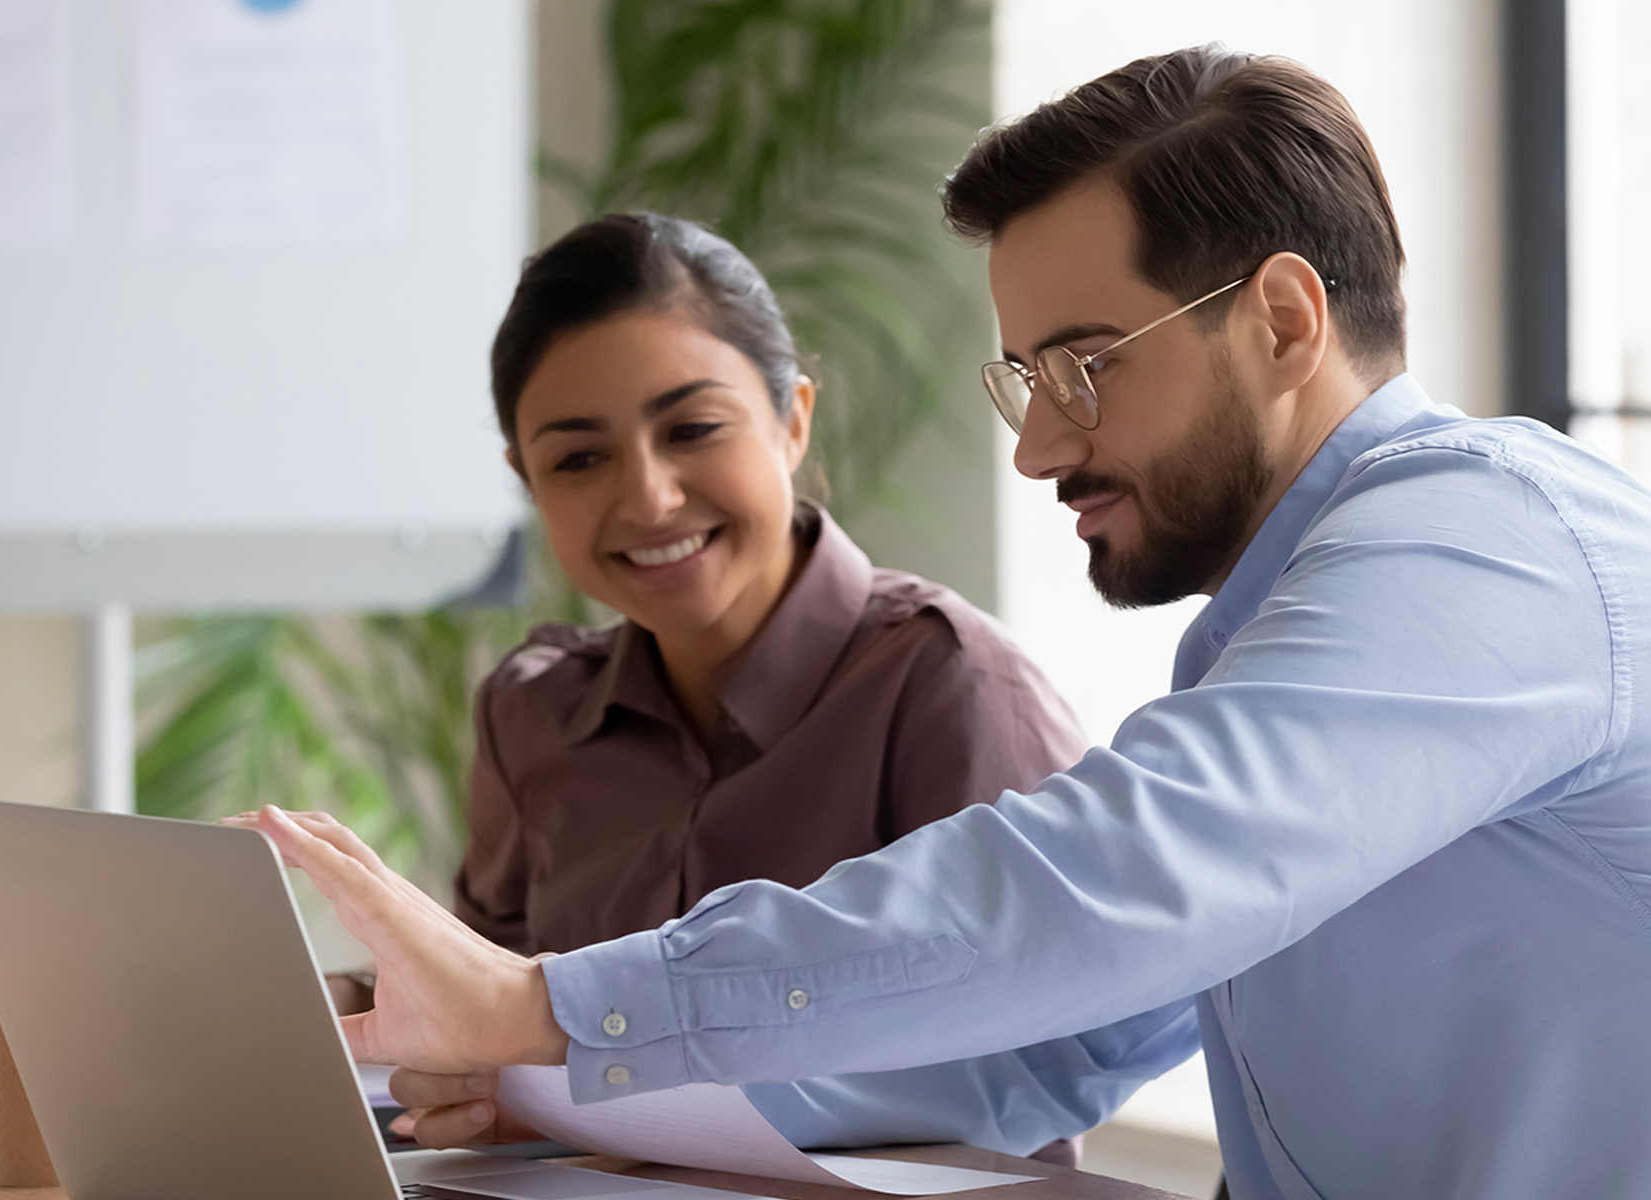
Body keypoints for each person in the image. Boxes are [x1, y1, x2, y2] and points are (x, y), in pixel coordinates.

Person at [242, 46, 1651, 1200]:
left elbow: (1105, 885)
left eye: (1083, 369)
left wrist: (551, 1007)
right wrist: (541, 1079)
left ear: (1282, 320)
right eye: (1025, 382)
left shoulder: (1487, 547)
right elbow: (1044, 1035)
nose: (1036, 451)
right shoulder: (1294, 626)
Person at [324, 212, 1097, 1163]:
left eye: (691, 428)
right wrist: (448, 1072)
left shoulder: (951, 686)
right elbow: (479, 1007)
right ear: (526, 480)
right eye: (577, 458)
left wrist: (600, 1094)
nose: (647, 497)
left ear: (793, 419)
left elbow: (1038, 1063)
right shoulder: (533, 713)